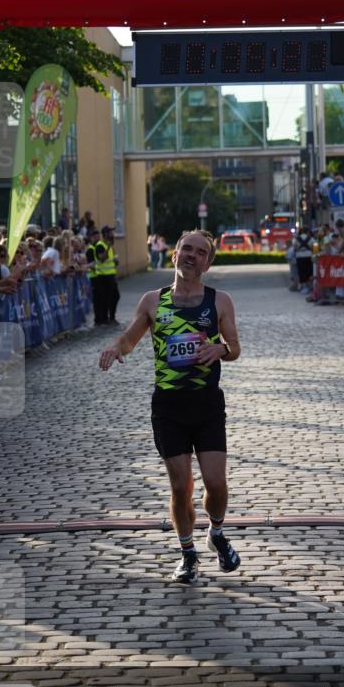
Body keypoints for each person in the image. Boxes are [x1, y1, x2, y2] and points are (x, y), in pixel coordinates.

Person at [99, 229, 242, 585]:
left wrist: (221, 349)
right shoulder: (152, 300)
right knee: (181, 486)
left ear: (208, 262)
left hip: (207, 404)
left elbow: (235, 346)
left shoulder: (219, 300)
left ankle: (217, 533)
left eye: (200, 252)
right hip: (168, 407)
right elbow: (131, 338)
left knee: (215, 483)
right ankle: (188, 553)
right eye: (186, 249)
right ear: (174, 255)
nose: (192, 256)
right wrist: (117, 347)